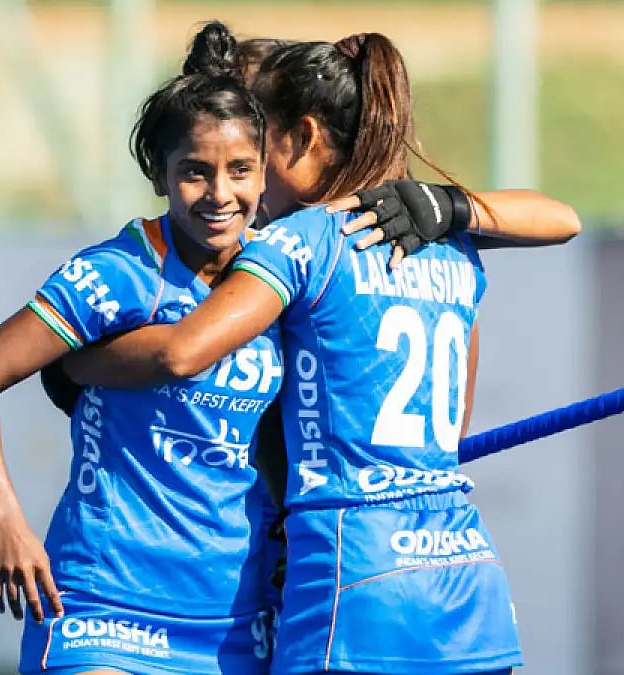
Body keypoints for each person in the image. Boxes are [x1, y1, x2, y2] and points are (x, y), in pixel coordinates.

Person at [54, 30, 576, 674]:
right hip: (469, 589)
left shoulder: (300, 240)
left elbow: (183, 352)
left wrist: (74, 360)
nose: (243, 176)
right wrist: (452, 204)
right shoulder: (453, 247)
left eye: (255, 148)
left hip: (354, 582)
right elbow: (560, 222)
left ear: (300, 138)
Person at [0, 23, 287, 675]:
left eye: (240, 170)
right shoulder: (119, 272)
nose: (220, 194)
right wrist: (6, 518)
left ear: (264, 174)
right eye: (194, 172)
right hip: (104, 605)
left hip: (237, 624)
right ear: (159, 175)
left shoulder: (282, 277)